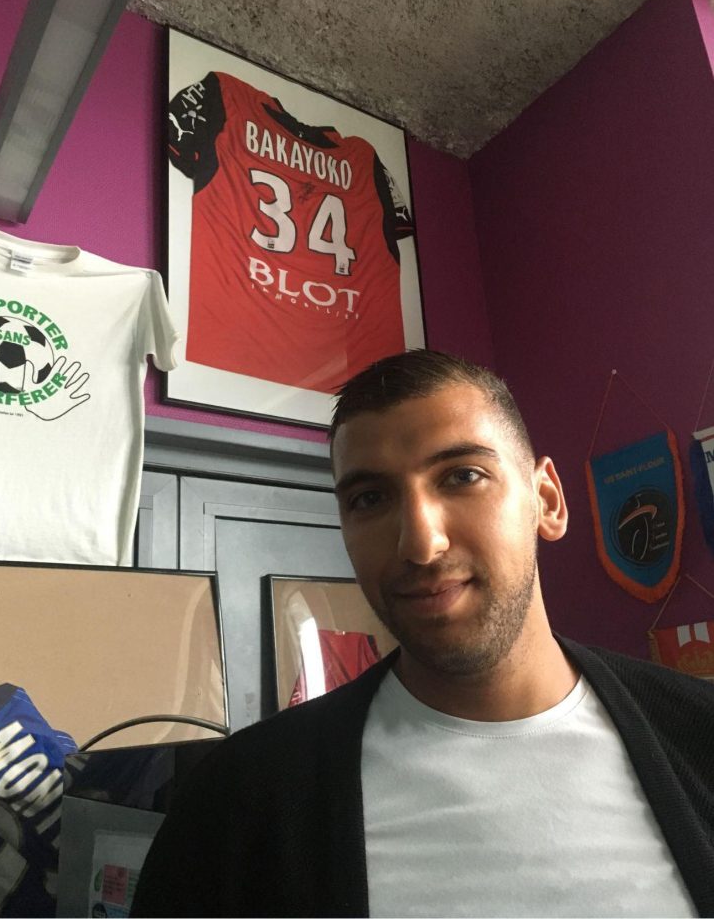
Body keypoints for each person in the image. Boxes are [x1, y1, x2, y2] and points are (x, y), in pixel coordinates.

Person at [131, 349, 714, 918]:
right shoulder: (236, 805)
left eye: (462, 476)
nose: (420, 542)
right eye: (369, 498)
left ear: (548, 501)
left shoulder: (697, 733)